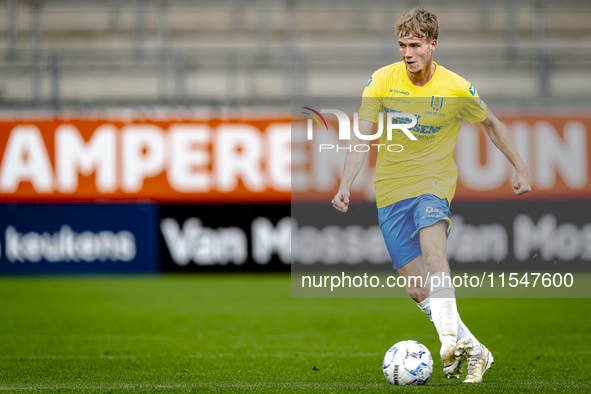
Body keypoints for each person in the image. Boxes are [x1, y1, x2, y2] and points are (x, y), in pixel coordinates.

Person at [331, 8, 531, 383]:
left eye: (415, 45)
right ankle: (476, 351)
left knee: (436, 259)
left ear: (433, 45)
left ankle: (448, 344)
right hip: (390, 191)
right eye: (402, 45)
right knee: (416, 287)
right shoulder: (381, 81)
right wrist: (345, 184)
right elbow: (362, 137)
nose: (407, 53)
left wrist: (519, 167)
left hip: (433, 186)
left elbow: (490, 123)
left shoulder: (456, 88)